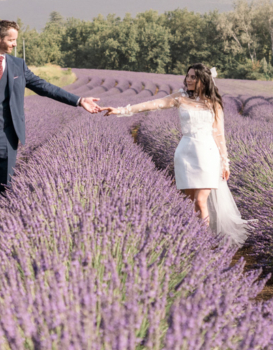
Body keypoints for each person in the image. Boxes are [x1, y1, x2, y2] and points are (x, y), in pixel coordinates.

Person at [0, 19, 103, 230]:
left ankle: (0, 231)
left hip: (7, 134)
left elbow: (44, 87)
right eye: (11, 40)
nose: (15, 44)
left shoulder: (18, 65)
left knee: (5, 187)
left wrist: (78, 101)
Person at [101, 64, 250, 244]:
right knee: (190, 203)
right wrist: (121, 110)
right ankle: (192, 239)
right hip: (186, 152)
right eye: (188, 76)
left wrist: (225, 163)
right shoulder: (180, 97)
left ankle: (202, 242)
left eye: (193, 77)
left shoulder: (214, 103)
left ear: (203, 80)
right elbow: (151, 105)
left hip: (208, 154)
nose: (188, 79)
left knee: (201, 201)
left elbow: (219, 134)